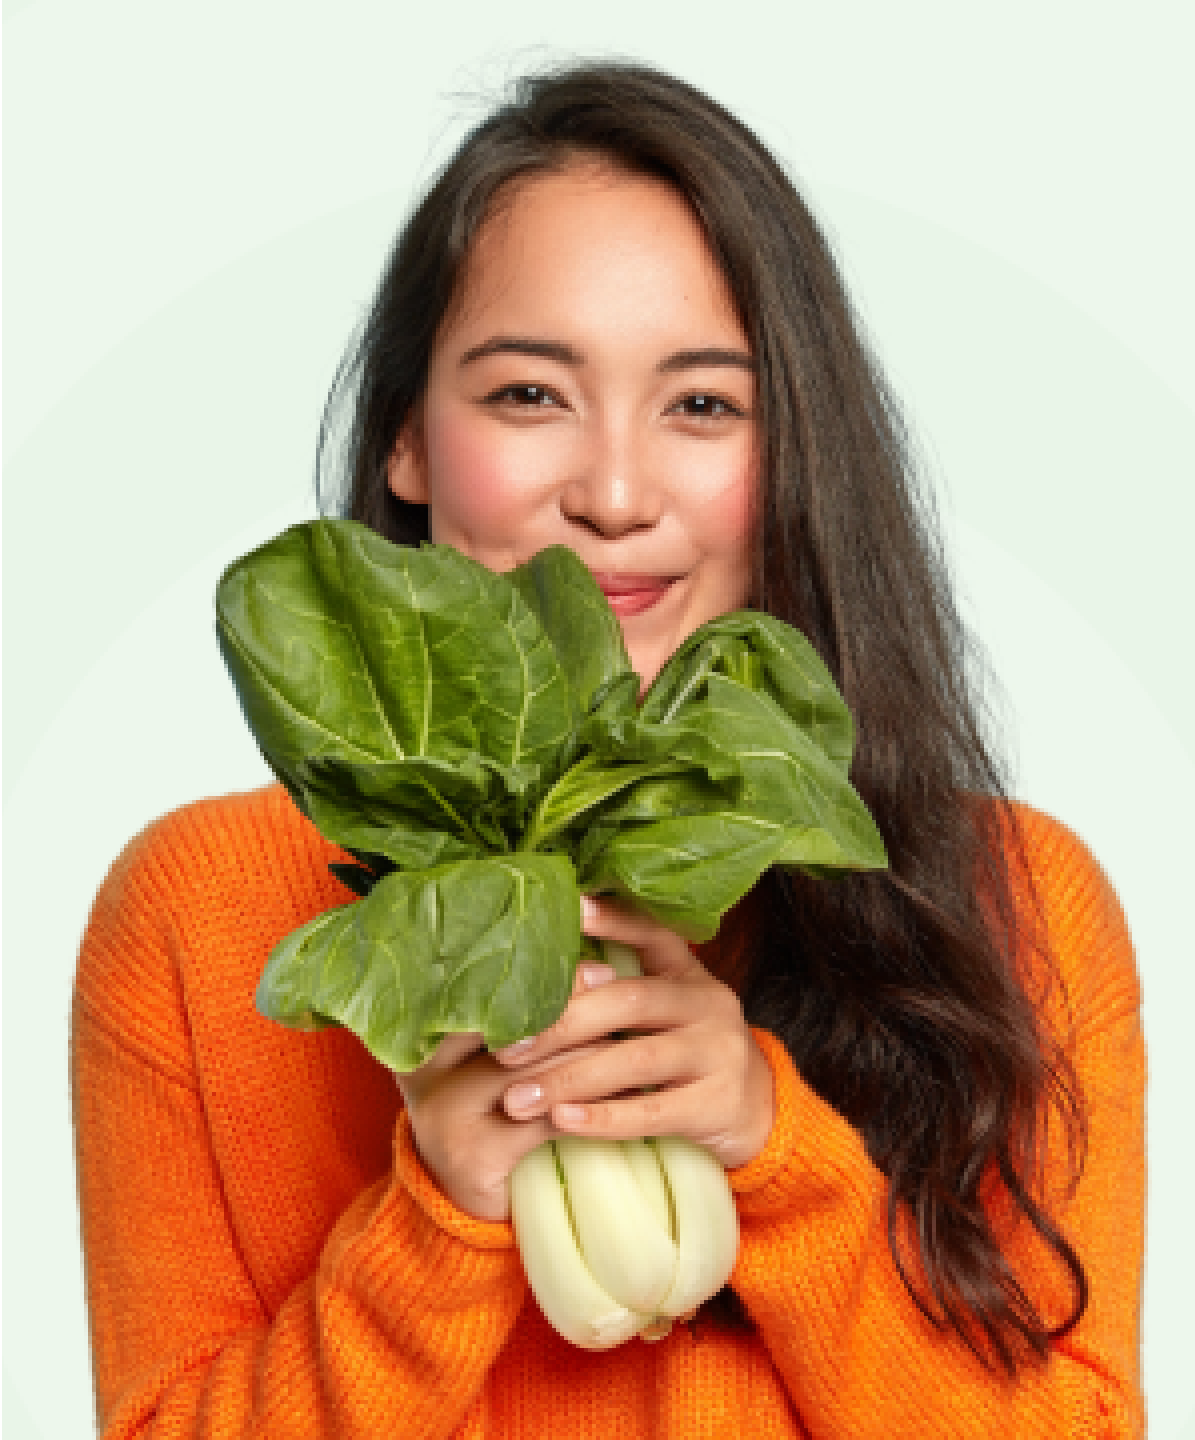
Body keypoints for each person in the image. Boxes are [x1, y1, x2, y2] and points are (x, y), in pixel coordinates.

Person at [70, 61, 1145, 1437]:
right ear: (409, 436)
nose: (617, 494)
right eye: (529, 394)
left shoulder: (1017, 896)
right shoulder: (200, 912)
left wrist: (776, 1149)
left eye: (702, 405)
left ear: (794, 452)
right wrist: (440, 1222)